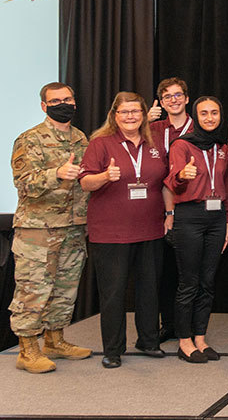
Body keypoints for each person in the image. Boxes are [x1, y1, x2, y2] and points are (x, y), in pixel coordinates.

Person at [80, 92, 172, 368]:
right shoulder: (100, 144)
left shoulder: (155, 144)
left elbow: (164, 183)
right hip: (111, 232)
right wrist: (105, 176)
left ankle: (148, 340)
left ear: (144, 115)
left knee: (149, 290)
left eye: (135, 111)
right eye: (124, 112)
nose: (130, 116)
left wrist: (169, 214)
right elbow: (85, 183)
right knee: (114, 293)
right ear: (114, 116)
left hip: (150, 228)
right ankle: (113, 349)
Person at [9, 82, 91, 373]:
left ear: (75, 102)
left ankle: (55, 340)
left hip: (73, 226)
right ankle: (27, 349)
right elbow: (24, 182)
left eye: (68, 98)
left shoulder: (81, 139)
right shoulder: (30, 139)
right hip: (38, 231)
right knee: (34, 289)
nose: (63, 104)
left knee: (65, 289)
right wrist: (56, 173)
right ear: (44, 106)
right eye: (56, 100)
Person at [165, 96, 228, 364]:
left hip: (216, 219)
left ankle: (201, 338)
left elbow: (226, 187)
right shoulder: (182, 144)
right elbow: (172, 182)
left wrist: (227, 222)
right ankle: (184, 341)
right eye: (204, 113)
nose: (210, 118)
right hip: (190, 216)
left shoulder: (222, 147)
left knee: (207, 282)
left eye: (214, 113)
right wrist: (182, 176)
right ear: (196, 116)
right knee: (189, 283)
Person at [148, 77, 193, 344]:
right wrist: (144, 120)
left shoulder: (198, 127)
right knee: (161, 268)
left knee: (186, 269)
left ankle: (187, 324)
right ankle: (168, 323)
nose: (173, 100)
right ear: (162, 103)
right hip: (153, 204)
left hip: (188, 203)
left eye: (178, 95)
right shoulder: (152, 129)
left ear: (187, 98)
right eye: (167, 97)